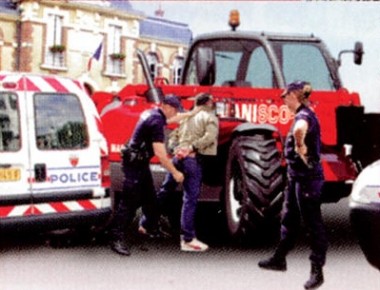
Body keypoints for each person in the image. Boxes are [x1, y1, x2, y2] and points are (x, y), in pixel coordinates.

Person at [258, 81, 328, 290]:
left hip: (307, 178)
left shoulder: (303, 116)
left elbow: (300, 130)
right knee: (289, 219)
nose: (283, 99)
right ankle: (279, 259)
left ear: (294, 96)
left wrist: (301, 148)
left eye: (285, 96)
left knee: (312, 224)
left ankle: (317, 272)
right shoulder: (303, 114)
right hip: (297, 177)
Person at [109, 94, 185, 256]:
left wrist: (191, 115)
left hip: (139, 162)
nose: (176, 113)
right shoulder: (156, 121)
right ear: (168, 107)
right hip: (134, 164)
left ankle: (151, 227)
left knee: (150, 198)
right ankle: (116, 238)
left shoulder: (153, 113)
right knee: (129, 202)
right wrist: (175, 172)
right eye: (176, 110)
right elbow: (161, 154)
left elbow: (172, 120)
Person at [157, 92, 219, 252]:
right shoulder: (209, 117)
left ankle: (145, 223)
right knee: (190, 199)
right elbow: (210, 137)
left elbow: (172, 137)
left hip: (177, 159)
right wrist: (191, 148)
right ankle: (188, 239)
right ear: (209, 102)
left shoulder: (185, 118)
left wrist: (176, 150)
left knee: (165, 190)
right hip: (192, 160)